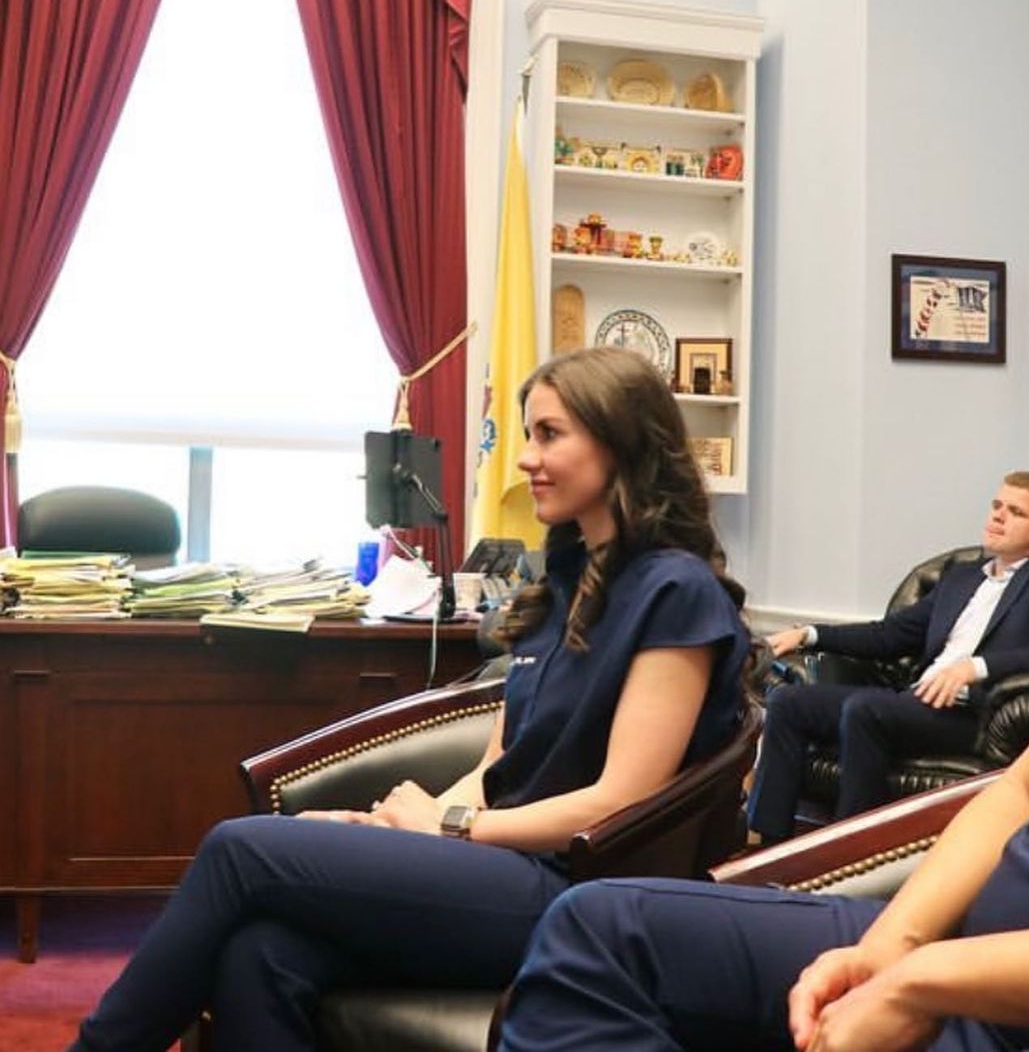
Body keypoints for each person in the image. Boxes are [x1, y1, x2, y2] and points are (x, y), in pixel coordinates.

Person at [68, 345, 749, 1052]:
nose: (525, 458)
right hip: (502, 868)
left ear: (620, 442)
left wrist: (449, 826)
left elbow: (618, 803)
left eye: (550, 434)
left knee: (239, 850)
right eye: (528, 434)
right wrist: (386, 829)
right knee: (261, 952)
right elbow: (496, 769)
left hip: (580, 898)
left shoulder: (676, 591)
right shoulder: (561, 585)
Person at [496, 666, 1029, 1052]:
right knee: (602, 930)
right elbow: (1024, 790)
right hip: (962, 942)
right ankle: (766, 832)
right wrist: (889, 947)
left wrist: (921, 981)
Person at [748, 471, 1029, 842]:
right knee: (791, 702)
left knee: (865, 709)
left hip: (972, 714)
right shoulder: (962, 576)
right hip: (915, 702)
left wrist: (976, 668)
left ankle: (850, 852)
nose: (998, 516)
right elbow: (890, 635)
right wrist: (810, 634)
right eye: (997, 505)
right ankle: (769, 845)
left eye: (1016, 512)